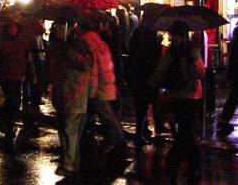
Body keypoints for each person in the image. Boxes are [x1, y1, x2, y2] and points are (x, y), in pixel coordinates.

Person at [148, 21, 206, 184]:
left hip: (177, 94)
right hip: (193, 94)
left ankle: (176, 161)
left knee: (184, 130)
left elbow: (160, 70)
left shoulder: (171, 52)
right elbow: (201, 72)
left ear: (175, 34)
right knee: (186, 130)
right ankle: (190, 163)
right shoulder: (193, 50)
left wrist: (151, 84)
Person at [47, 15, 93, 178]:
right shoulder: (56, 44)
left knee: (70, 128)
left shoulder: (78, 44)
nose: (57, 30)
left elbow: (86, 65)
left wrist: (70, 52)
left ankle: (69, 163)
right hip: (61, 91)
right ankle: (72, 161)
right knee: (64, 127)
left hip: (75, 92)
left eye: (60, 26)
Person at [81, 16, 126, 164]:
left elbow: (93, 70)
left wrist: (91, 91)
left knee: (107, 117)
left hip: (98, 87)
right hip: (107, 83)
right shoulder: (101, 43)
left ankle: (118, 143)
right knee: (104, 116)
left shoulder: (87, 43)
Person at [0, 17, 34, 148]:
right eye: (11, 27)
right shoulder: (2, 43)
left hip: (18, 75)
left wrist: (32, 75)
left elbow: (28, 60)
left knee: (14, 99)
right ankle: (9, 123)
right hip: (6, 75)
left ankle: (6, 121)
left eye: (15, 27)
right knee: (13, 99)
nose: (13, 30)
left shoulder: (22, 43)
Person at [127, 11, 163, 145]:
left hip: (138, 74)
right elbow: (153, 55)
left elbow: (132, 53)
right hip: (148, 74)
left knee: (141, 104)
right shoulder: (150, 34)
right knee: (147, 103)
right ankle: (141, 131)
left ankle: (143, 128)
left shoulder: (137, 33)